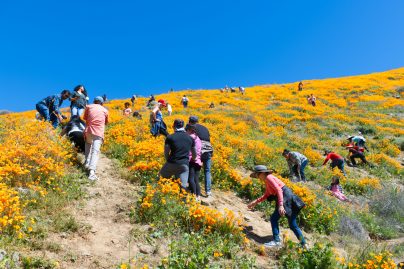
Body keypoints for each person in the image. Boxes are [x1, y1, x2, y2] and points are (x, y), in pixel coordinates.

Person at [247, 165, 306, 248]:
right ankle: (304, 244)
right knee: (292, 224)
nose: (257, 177)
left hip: (285, 198)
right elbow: (267, 195)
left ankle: (276, 241)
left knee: (274, 218)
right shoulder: (267, 180)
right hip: (287, 197)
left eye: (257, 175)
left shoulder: (269, 178)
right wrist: (255, 202)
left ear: (262, 173)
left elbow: (279, 190)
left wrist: (281, 205)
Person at [159, 119, 196, 189]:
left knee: (161, 178)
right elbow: (194, 155)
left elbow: (166, 152)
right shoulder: (190, 138)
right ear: (183, 126)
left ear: (173, 126)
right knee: (183, 186)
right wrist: (192, 160)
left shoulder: (170, 137)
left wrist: (168, 160)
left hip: (172, 162)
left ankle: (164, 194)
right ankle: (183, 198)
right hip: (184, 164)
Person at [83, 96, 109, 181]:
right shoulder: (105, 110)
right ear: (102, 103)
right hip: (98, 132)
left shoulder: (89, 106)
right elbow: (106, 122)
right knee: (95, 151)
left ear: (94, 101)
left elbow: (85, 118)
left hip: (88, 130)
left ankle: (87, 162)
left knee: (88, 144)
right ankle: (92, 173)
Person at [189, 116, 214, 197]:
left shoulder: (191, 127)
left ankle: (194, 189)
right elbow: (208, 138)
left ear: (189, 122)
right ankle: (208, 191)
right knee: (207, 171)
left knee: (195, 169)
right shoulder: (204, 127)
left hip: (199, 149)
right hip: (209, 149)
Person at [186, 124, 203, 200]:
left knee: (190, 179)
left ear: (189, 130)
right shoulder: (198, 138)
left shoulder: (190, 138)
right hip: (198, 161)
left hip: (192, 160)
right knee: (196, 179)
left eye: (186, 130)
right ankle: (198, 196)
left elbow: (190, 151)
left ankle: (194, 195)